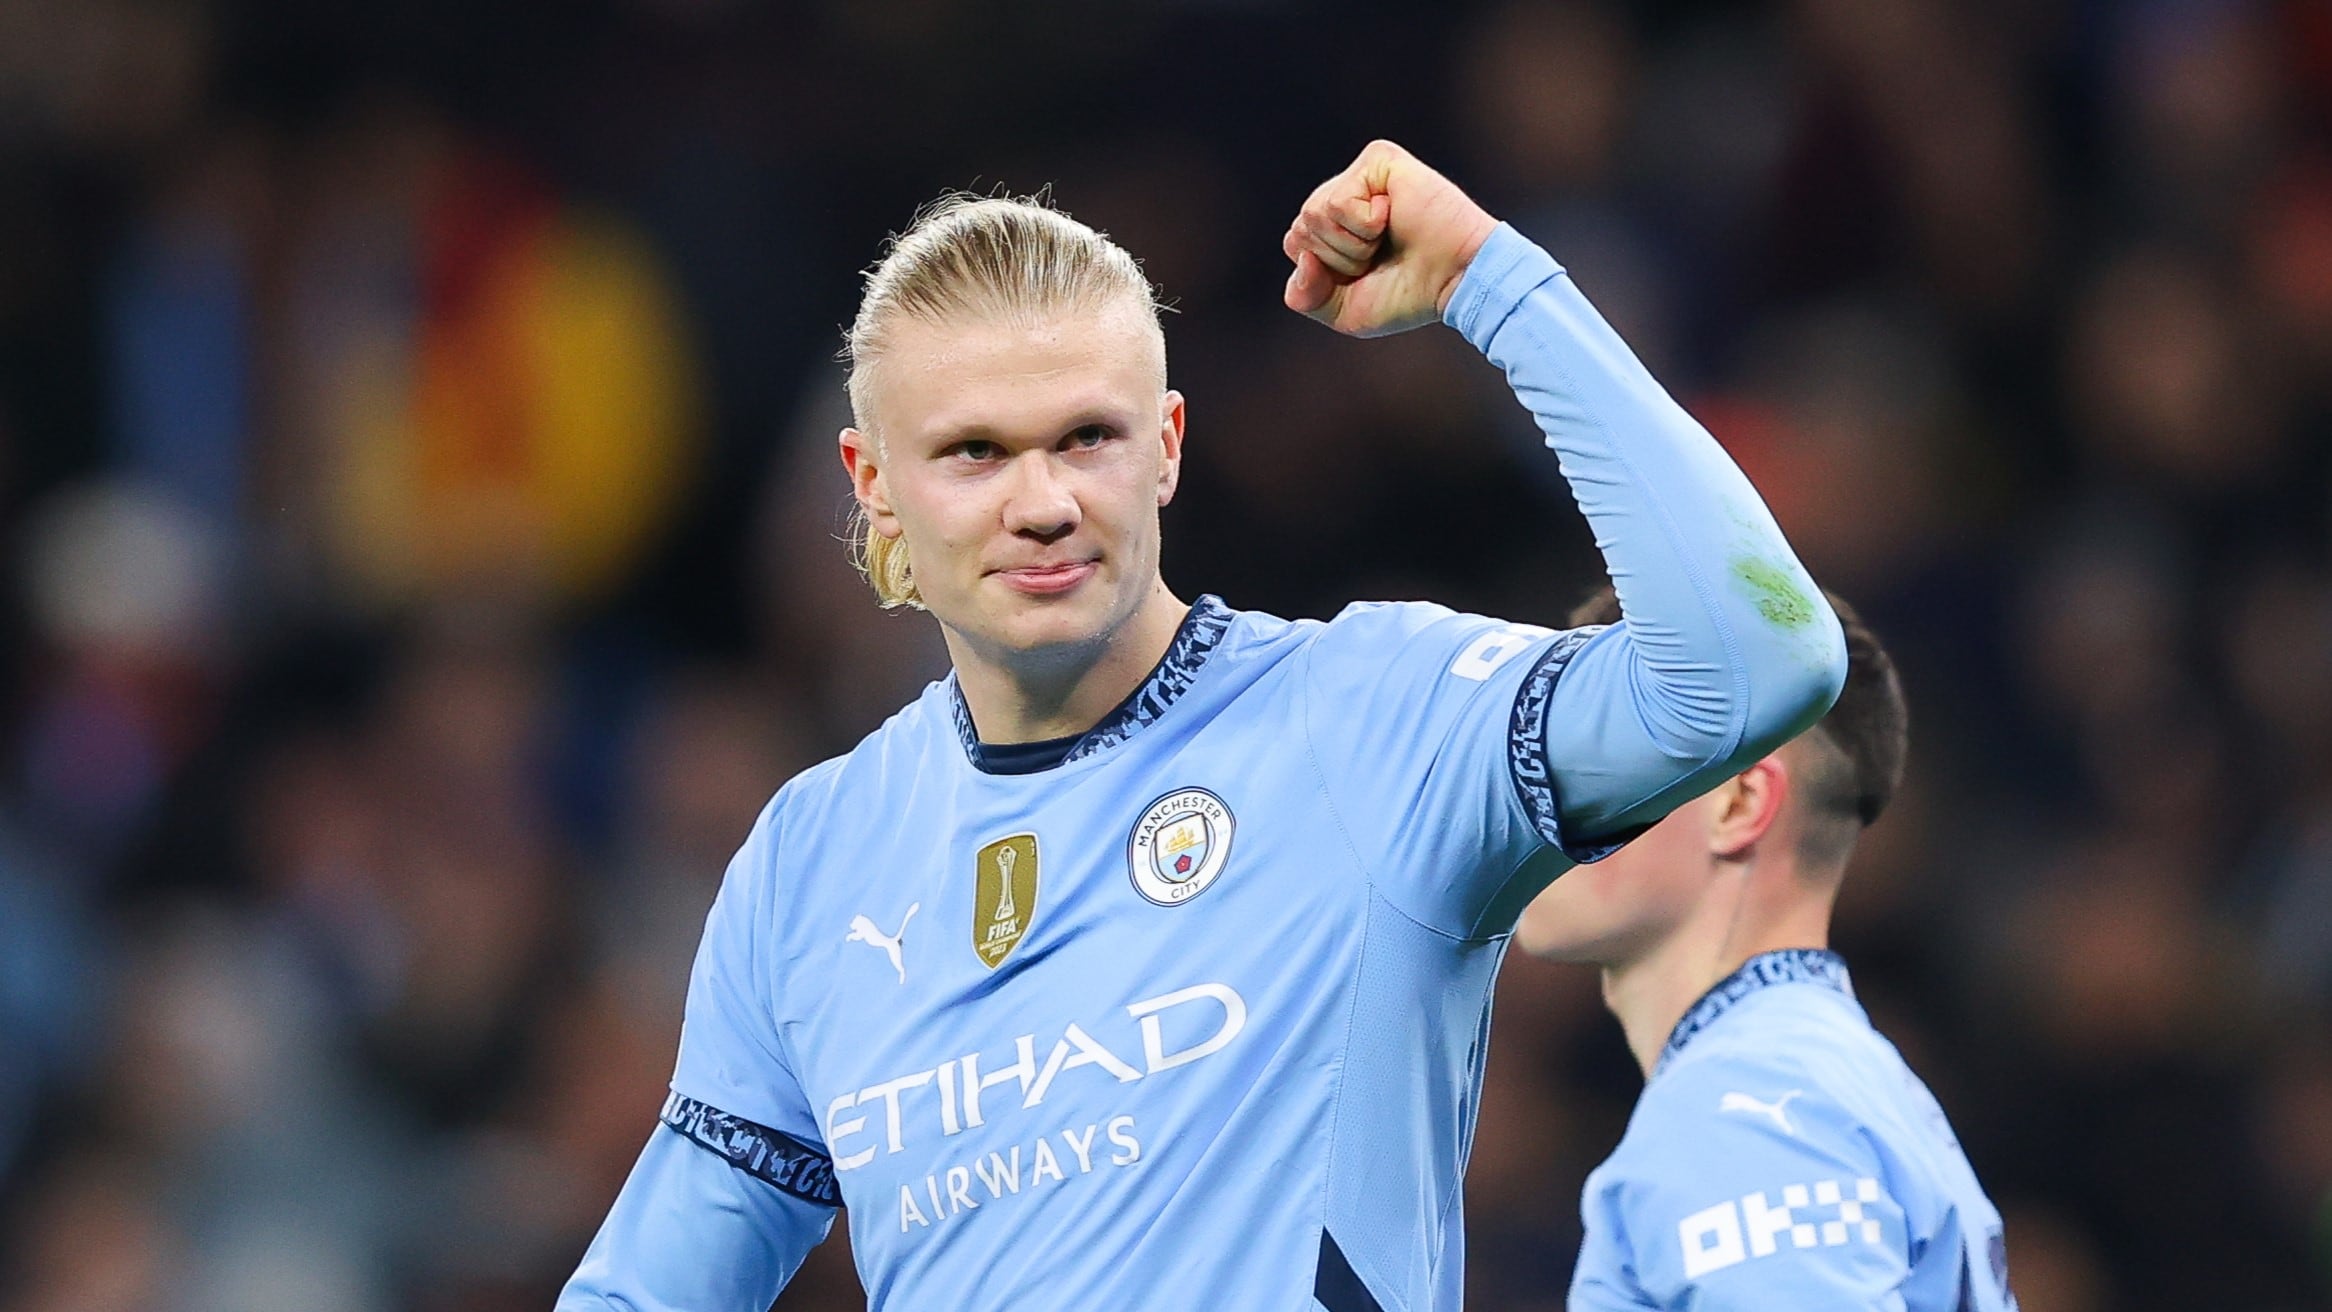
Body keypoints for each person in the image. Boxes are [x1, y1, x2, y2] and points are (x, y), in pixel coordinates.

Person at [557, 139, 1846, 1310]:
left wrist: (1490, 286)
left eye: (1087, 437)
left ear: (1165, 447)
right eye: (973, 454)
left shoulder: (1368, 719)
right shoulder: (811, 858)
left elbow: (1753, 666)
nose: (1045, 500)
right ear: (873, 487)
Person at [1518, 588, 2016, 1311]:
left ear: (1737, 804)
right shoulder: (1818, 1080)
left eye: (1590, 756)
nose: (1531, 801)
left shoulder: (1748, 1100)